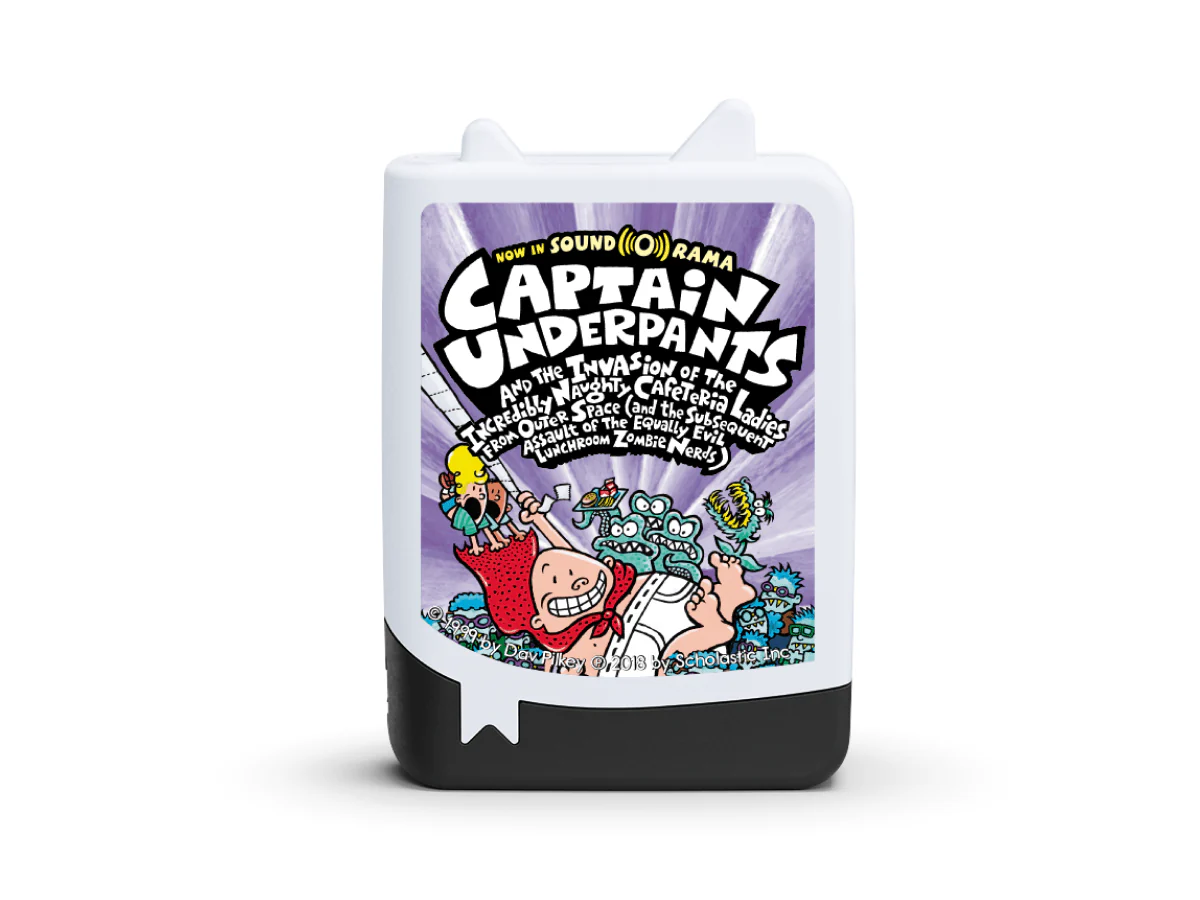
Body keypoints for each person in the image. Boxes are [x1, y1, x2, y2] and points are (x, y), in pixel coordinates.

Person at [453, 488, 757, 676]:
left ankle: (728, 602)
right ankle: (718, 624)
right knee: (672, 654)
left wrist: (540, 521)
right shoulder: (567, 649)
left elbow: (570, 555)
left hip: (662, 599)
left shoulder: (617, 584)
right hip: (656, 652)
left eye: (569, 570)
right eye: (554, 583)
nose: (574, 581)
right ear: (539, 620)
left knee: (696, 620)